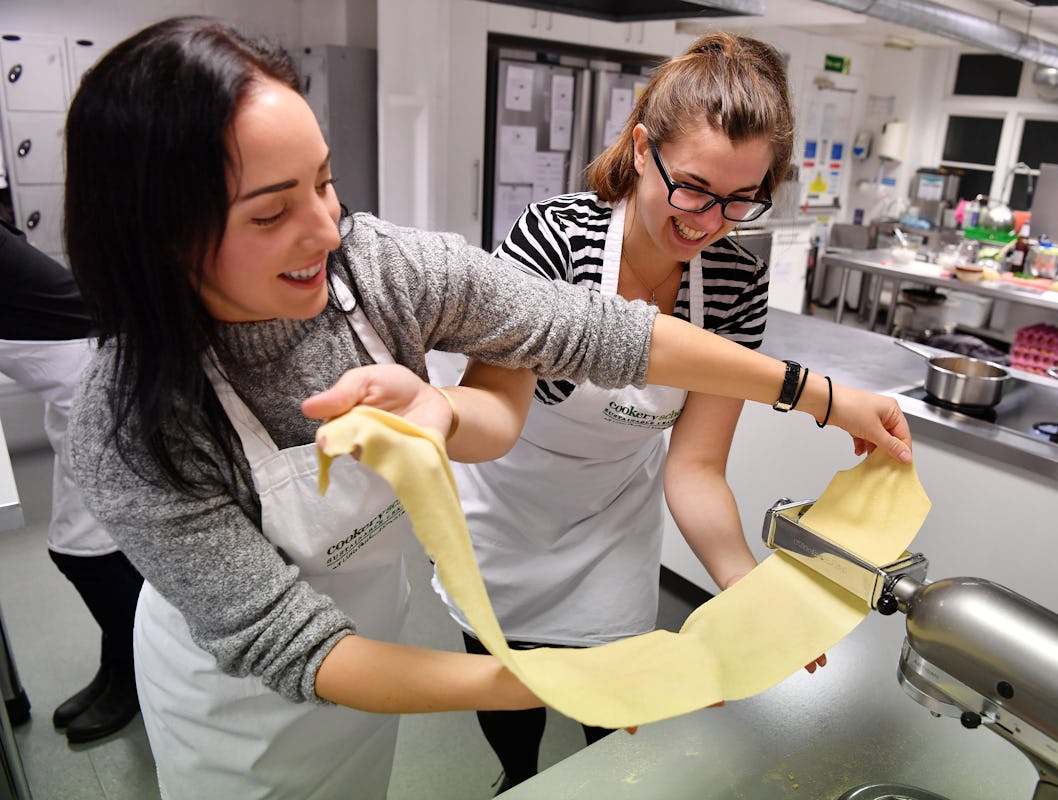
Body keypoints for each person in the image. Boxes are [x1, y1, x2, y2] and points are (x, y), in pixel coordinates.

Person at [64, 16, 911, 799]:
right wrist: (562, 678)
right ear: (156, 234)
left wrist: (820, 399)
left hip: (380, 639)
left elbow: (586, 328)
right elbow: (293, 644)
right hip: (238, 712)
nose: (328, 229)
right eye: (273, 211)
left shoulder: (378, 269)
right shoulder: (127, 423)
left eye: (326, 183)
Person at [422, 32, 823, 791]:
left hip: (612, 520)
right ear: (643, 150)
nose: (710, 220)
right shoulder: (555, 239)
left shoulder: (735, 281)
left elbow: (698, 467)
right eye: (696, 187)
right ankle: (518, 778)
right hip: (505, 509)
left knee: (617, 705)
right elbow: (487, 404)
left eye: (743, 199)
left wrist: (745, 583)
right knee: (513, 690)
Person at [0, 219, 143, 743]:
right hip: (77, 379)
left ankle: (134, 677)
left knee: (87, 553)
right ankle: (118, 668)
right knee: (91, 549)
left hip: (96, 376)